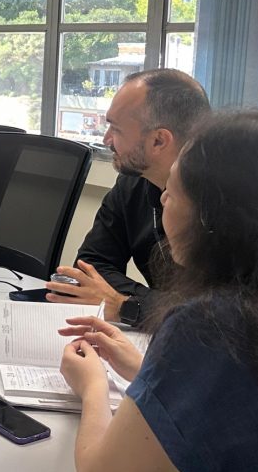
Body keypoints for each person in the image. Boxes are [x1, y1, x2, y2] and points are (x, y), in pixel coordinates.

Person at [58, 110, 258, 472]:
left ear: (217, 219)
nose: (160, 203)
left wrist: (93, 388)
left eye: (173, 194)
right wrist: (148, 374)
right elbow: (244, 410)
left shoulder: (216, 324)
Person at [45, 69, 210, 326]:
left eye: (116, 129)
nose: (106, 139)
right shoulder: (133, 182)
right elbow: (93, 266)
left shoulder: (226, 203)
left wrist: (127, 305)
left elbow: (216, 316)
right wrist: (144, 304)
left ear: (158, 141)